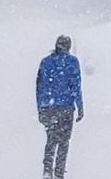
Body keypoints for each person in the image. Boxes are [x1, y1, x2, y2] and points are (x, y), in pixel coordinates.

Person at [36, 35, 84, 179]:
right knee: (64, 141)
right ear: (68, 46)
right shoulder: (72, 62)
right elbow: (76, 85)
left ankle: (47, 169)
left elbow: (39, 86)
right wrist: (80, 106)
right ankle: (59, 172)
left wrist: (40, 107)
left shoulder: (45, 62)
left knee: (51, 138)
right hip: (66, 107)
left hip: (48, 107)